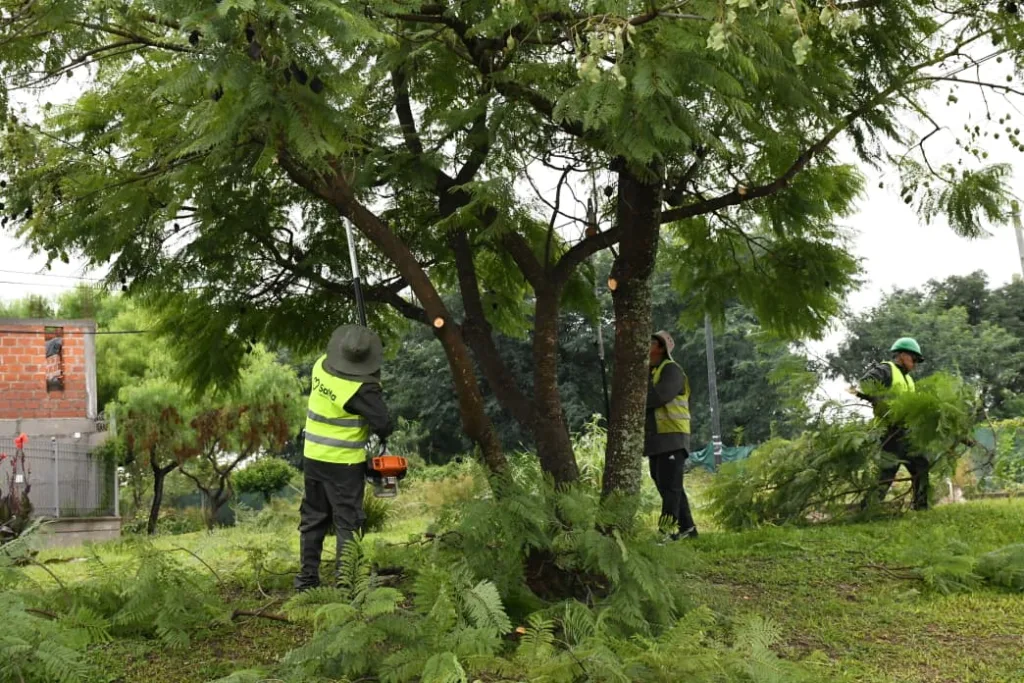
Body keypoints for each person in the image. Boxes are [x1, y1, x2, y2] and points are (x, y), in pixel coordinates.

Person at [295, 324, 394, 591]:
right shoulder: (361, 388)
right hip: (344, 463)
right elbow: (384, 424)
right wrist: (375, 384)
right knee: (347, 523)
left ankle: (306, 582)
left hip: (313, 456)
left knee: (313, 518)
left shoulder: (321, 365)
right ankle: (346, 584)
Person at [853, 337, 930, 511]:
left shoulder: (909, 381)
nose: (915, 363)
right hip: (889, 432)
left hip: (906, 432)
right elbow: (865, 383)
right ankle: (866, 509)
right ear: (902, 355)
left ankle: (921, 507)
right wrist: (878, 399)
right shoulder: (886, 370)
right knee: (887, 474)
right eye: (913, 359)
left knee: (921, 466)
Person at [646, 330, 697, 540]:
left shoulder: (671, 370)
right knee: (665, 483)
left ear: (660, 347)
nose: (645, 345)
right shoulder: (653, 371)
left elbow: (658, 397)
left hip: (673, 436)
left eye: (650, 342)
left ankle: (667, 531)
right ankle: (688, 529)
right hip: (658, 439)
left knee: (671, 486)